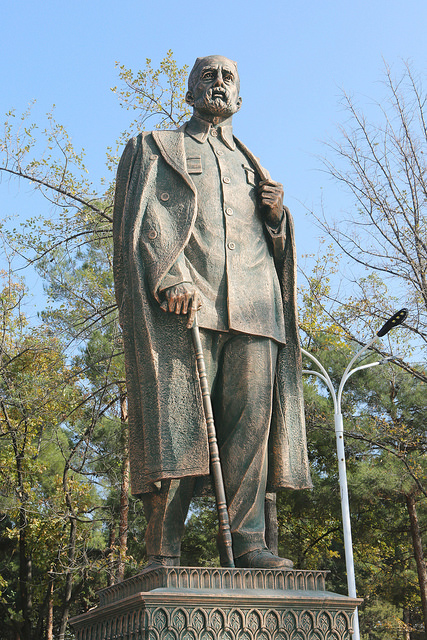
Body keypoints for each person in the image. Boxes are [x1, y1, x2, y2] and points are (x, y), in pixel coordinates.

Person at [113, 55, 312, 570]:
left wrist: (278, 218)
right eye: (208, 75)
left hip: (256, 309)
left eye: (228, 78)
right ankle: (163, 549)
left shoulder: (252, 164)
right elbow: (144, 221)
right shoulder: (158, 147)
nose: (219, 83)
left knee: (249, 433)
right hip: (189, 307)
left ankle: (249, 544)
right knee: (180, 425)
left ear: (240, 98)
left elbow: (276, 246)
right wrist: (169, 275)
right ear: (189, 92)